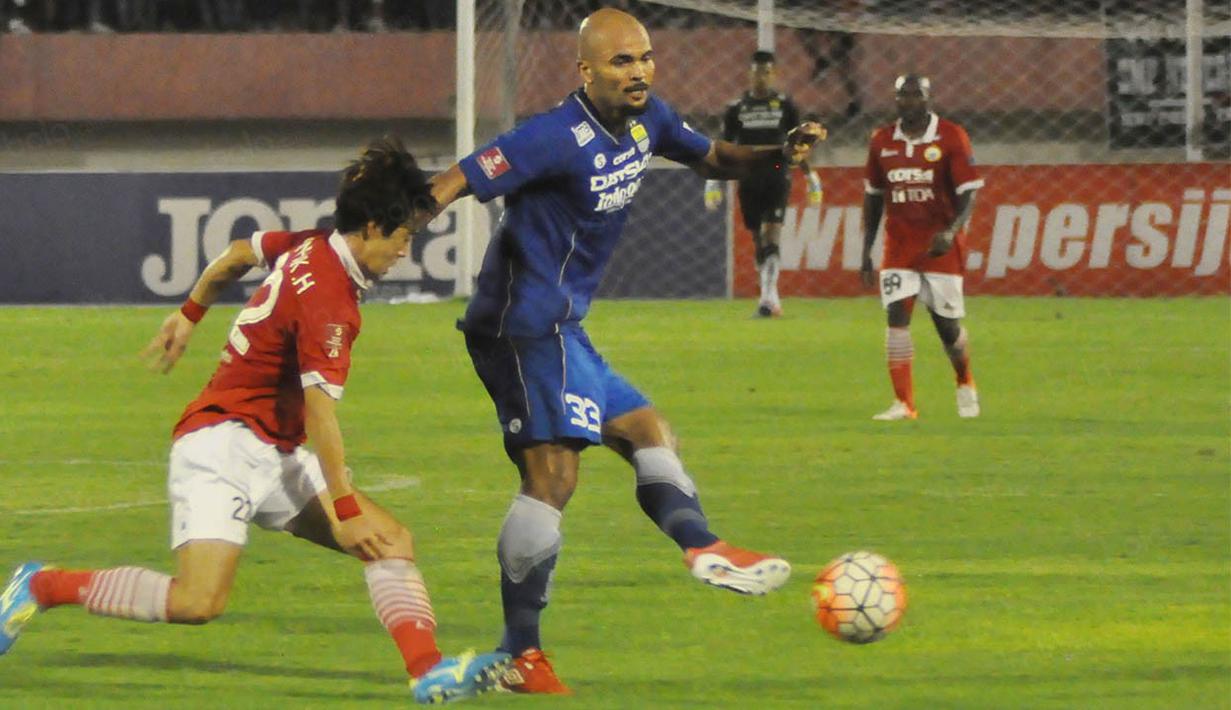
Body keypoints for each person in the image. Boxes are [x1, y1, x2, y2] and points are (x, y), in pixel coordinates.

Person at [0, 137, 510, 706]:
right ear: (370, 226)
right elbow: (323, 414)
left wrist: (190, 312)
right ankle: (42, 585)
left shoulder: (312, 244)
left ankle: (427, 673)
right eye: (402, 236)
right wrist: (343, 510)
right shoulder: (330, 303)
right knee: (197, 603)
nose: (405, 252)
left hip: (273, 451)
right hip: (220, 445)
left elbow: (240, 252)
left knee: (392, 541)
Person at [416, 8, 823, 694]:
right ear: (586, 71)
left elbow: (716, 158)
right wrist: (371, 243)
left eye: (642, 58)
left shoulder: (650, 119)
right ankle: (522, 653)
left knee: (646, 430)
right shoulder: (550, 137)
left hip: (561, 325)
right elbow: (455, 180)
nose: (637, 72)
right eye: (620, 62)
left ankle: (701, 546)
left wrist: (777, 154)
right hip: (521, 324)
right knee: (552, 478)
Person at [860, 74, 982, 421]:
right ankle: (905, 403)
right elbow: (872, 198)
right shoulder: (882, 140)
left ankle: (964, 379)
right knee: (896, 317)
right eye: (902, 96)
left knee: (947, 327)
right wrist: (866, 250)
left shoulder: (951, 136)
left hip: (940, 246)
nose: (907, 102)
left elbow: (969, 193)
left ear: (929, 99)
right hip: (899, 246)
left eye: (915, 96)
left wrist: (952, 231)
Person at [705, 49, 823, 318]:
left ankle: (770, 297)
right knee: (758, 238)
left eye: (767, 72)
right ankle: (767, 295)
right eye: (758, 71)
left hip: (777, 171)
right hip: (747, 176)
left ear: (774, 74)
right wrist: (713, 181)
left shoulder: (785, 106)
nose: (762, 77)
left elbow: (798, 146)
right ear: (750, 74)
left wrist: (810, 176)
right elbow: (724, 147)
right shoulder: (736, 108)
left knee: (772, 234)